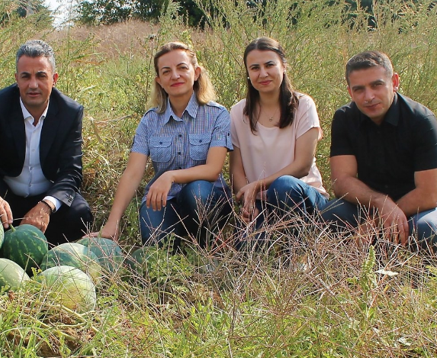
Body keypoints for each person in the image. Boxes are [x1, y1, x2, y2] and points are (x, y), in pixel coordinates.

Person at [0, 39, 92, 245]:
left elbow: (71, 171)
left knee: (80, 214)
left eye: (41, 76)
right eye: (25, 76)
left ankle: (46, 256)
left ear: (54, 79)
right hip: (4, 196)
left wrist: (46, 206)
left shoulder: (70, 112)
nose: (33, 85)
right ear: (16, 79)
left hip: (44, 196)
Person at [98, 42, 233, 246]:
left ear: (196, 73)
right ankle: (174, 250)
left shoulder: (217, 115)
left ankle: (207, 244)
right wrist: (112, 222)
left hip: (206, 197)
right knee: (158, 248)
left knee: (196, 192)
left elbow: (213, 170)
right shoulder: (150, 120)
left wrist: (171, 176)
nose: (175, 76)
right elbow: (133, 173)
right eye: (166, 71)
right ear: (159, 81)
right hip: (164, 200)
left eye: (182, 68)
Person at [321, 51, 437, 244]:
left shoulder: (422, 121)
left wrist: (377, 221)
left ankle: (413, 271)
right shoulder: (344, 118)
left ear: (395, 81)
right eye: (359, 89)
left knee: (428, 229)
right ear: (350, 92)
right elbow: (341, 181)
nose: (369, 96)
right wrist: (380, 203)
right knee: (330, 213)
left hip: (418, 208)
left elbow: (429, 193)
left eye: (377, 85)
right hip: (370, 204)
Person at [229, 37, 328, 226]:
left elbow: (302, 166)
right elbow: (236, 169)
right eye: (255, 68)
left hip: (302, 195)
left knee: (284, 185)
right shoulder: (238, 112)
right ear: (248, 74)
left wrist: (257, 185)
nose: (263, 73)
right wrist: (248, 201)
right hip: (262, 202)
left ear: (283, 66)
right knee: (248, 248)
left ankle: (299, 250)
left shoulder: (303, 105)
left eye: (269, 65)